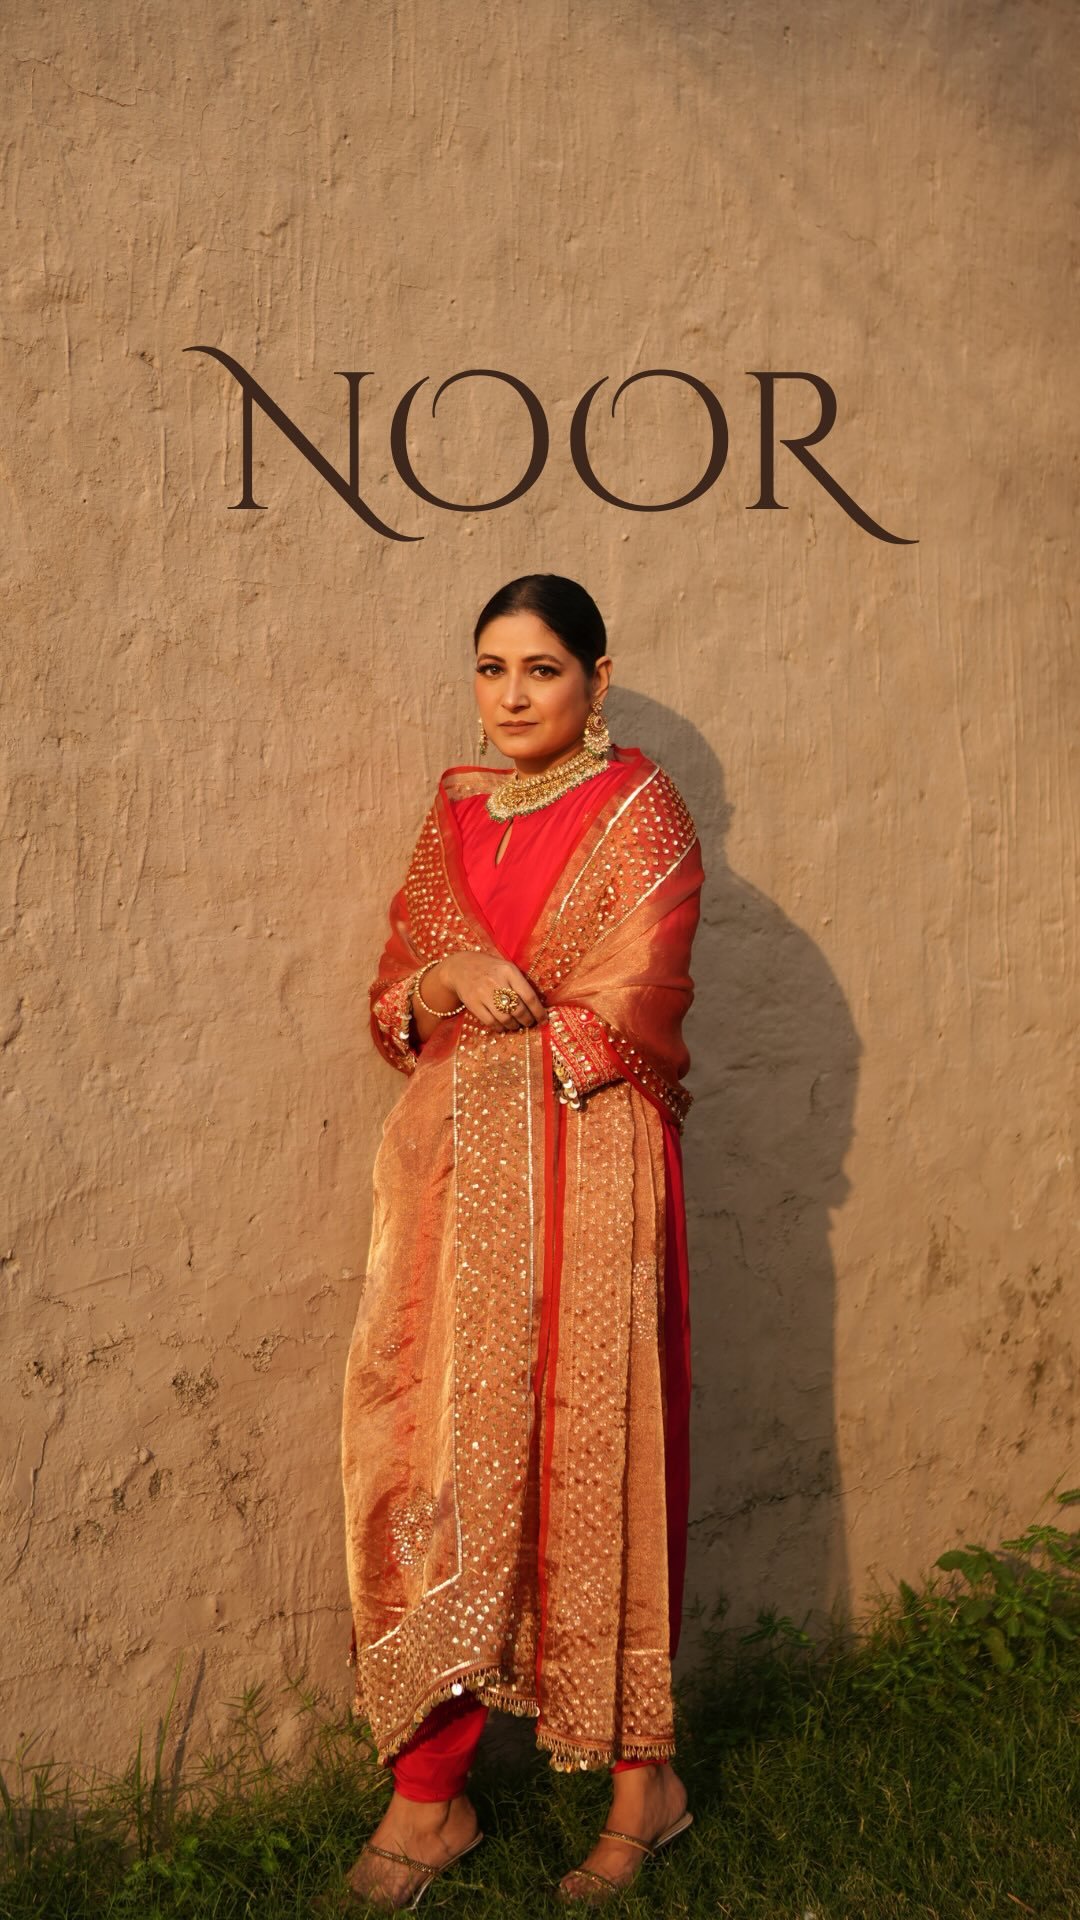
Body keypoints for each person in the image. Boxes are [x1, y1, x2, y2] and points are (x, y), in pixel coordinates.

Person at [339, 574, 704, 1910]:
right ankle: (429, 1794)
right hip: (454, 1191)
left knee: (602, 1453)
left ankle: (642, 1786)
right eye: (491, 669)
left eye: (541, 669)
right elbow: (398, 993)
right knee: (435, 1454)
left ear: (597, 680)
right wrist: (445, 978)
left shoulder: (643, 813)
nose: (510, 696)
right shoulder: (455, 815)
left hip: (592, 1166)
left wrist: (514, 1007)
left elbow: (638, 1001)